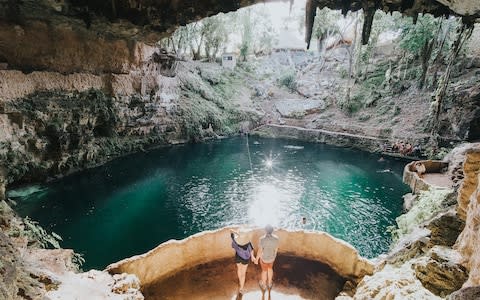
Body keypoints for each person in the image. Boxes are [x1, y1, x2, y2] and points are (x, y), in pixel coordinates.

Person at [231, 229, 256, 295]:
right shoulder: (248, 243)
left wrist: (236, 233)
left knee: (239, 269)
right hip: (245, 258)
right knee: (243, 273)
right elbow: (251, 250)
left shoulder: (235, 242)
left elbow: (231, 233)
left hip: (238, 257)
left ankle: (240, 281)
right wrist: (253, 256)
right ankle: (241, 288)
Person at [256, 225, 279, 293]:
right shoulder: (276, 238)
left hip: (264, 259)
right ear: (272, 231)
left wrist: (256, 259)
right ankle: (269, 284)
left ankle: (263, 285)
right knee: (270, 268)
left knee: (264, 271)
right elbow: (276, 249)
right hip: (272, 258)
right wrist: (274, 256)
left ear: (265, 230)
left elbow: (260, 251)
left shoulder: (262, 239)